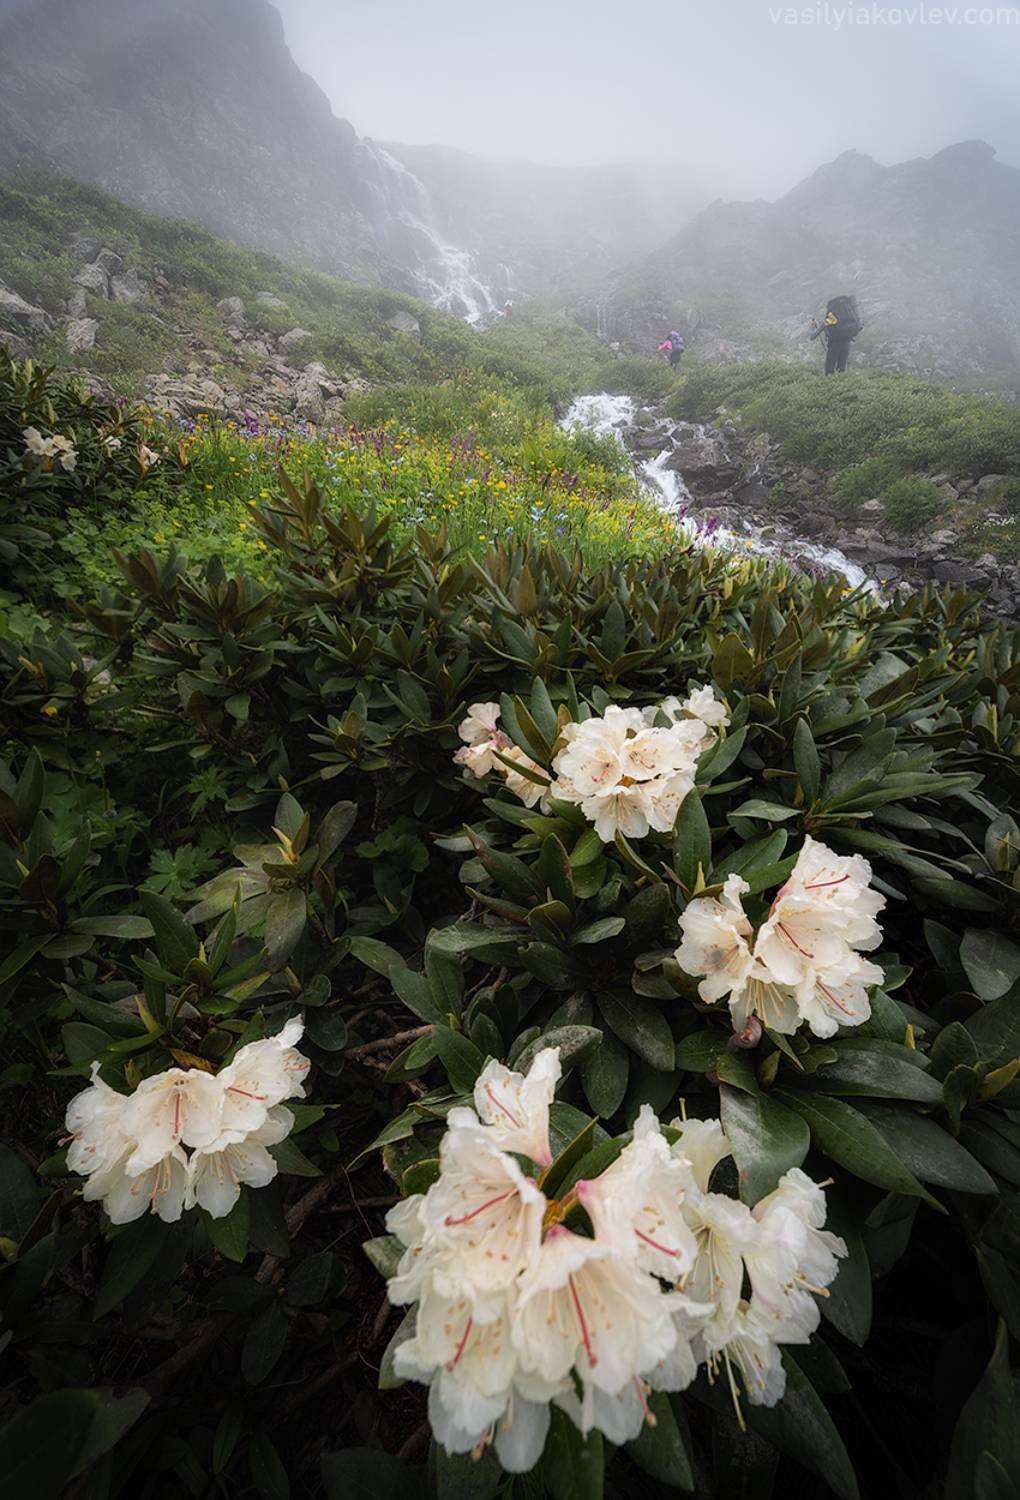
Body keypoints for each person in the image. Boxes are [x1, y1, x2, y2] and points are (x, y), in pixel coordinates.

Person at [811, 297, 861, 374]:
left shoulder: (828, 320)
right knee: (841, 370)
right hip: (846, 344)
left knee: (829, 371)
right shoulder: (847, 320)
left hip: (834, 346)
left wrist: (812, 328)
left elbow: (812, 337)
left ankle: (830, 384)